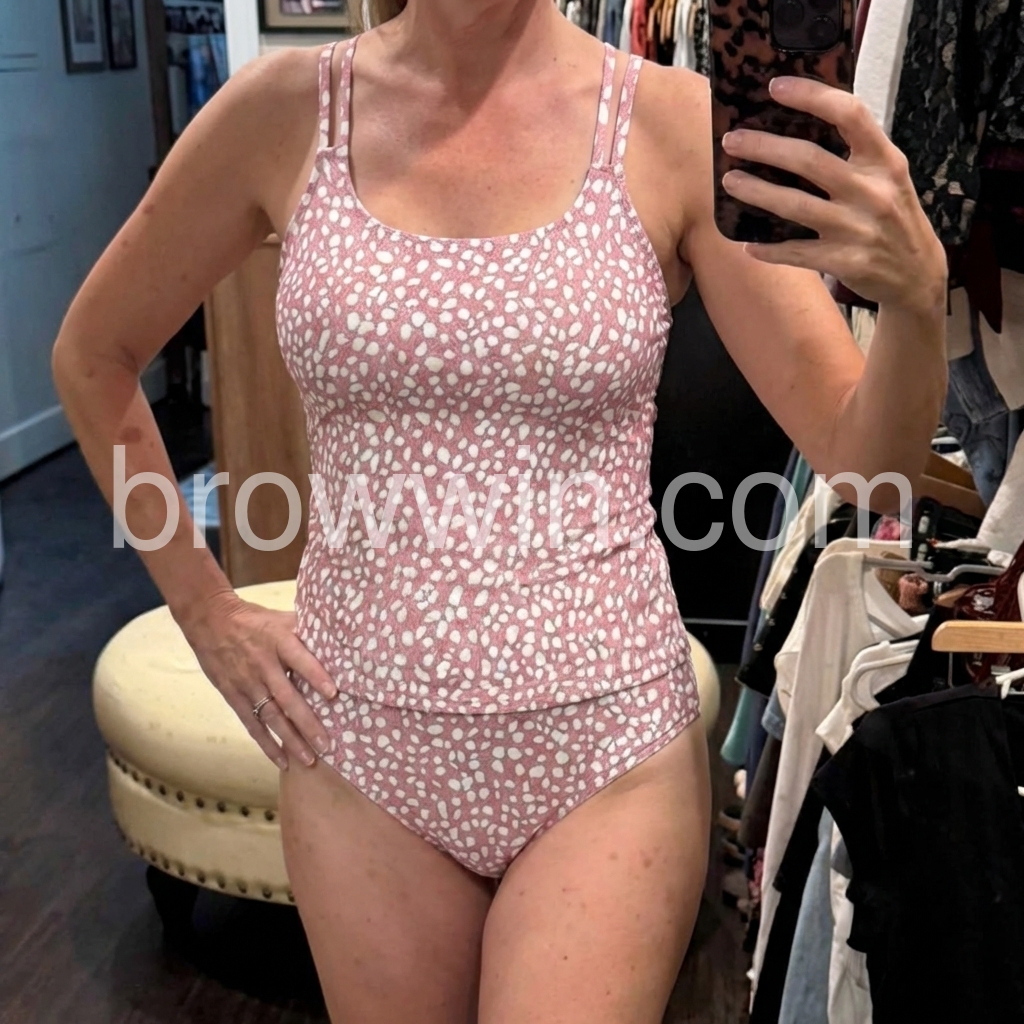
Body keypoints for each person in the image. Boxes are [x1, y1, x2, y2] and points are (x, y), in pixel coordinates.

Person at [50, 0, 948, 1018]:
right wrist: (205, 610)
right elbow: (93, 355)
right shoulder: (285, 112)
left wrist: (916, 303)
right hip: (362, 755)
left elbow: (867, 465)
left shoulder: (670, 124)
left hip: (606, 751)